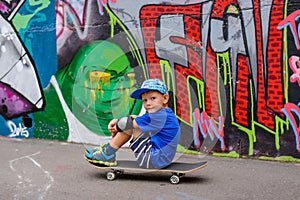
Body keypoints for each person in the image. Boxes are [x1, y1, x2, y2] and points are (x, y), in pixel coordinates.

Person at [85, 78, 180, 169]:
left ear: (165, 98)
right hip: (161, 159)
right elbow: (136, 118)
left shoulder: (158, 115)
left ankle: (108, 152)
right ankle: (107, 149)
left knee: (129, 126)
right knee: (133, 121)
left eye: (153, 98)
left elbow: (128, 124)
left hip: (151, 159)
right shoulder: (165, 114)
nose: (148, 103)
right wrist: (118, 121)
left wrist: (117, 126)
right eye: (145, 100)